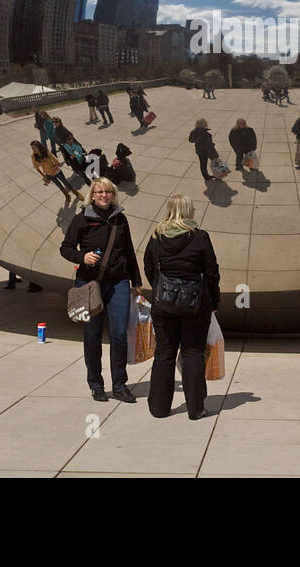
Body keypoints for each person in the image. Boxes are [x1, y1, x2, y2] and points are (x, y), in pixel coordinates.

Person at [60, 178, 143, 403]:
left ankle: (119, 385)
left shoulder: (120, 219)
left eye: (107, 191)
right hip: (89, 284)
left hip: (118, 283)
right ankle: (96, 385)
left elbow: (129, 251)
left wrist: (136, 281)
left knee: (118, 334)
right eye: (99, 192)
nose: (103, 195)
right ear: (92, 196)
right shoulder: (82, 219)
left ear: (113, 194)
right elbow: (66, 248)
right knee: (92, 335)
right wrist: (82, 257)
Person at [144, 194, 221, 420]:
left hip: (164, 303)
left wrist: (161, 289)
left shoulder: (156, 236)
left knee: (164, 354)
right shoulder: (200, 237)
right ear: (189, 211)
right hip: (196, 304)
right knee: (193, 352)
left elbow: (149, 268)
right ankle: (196, 408)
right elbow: (212, 272)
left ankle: (159, 408)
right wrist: (213, 302)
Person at [33, 140, 82, 205]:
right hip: (49, 174)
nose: (33, 150)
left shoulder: (46, 151)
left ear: (39, 147)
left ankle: (76, 193)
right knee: (59, 185)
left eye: (34, 148)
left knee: (66, 183)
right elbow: (36, 167)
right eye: (32, 148)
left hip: (57, 171)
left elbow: (54, 158)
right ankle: (66, 195)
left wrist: (56, 163)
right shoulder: (33, 156)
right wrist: (43, 176)